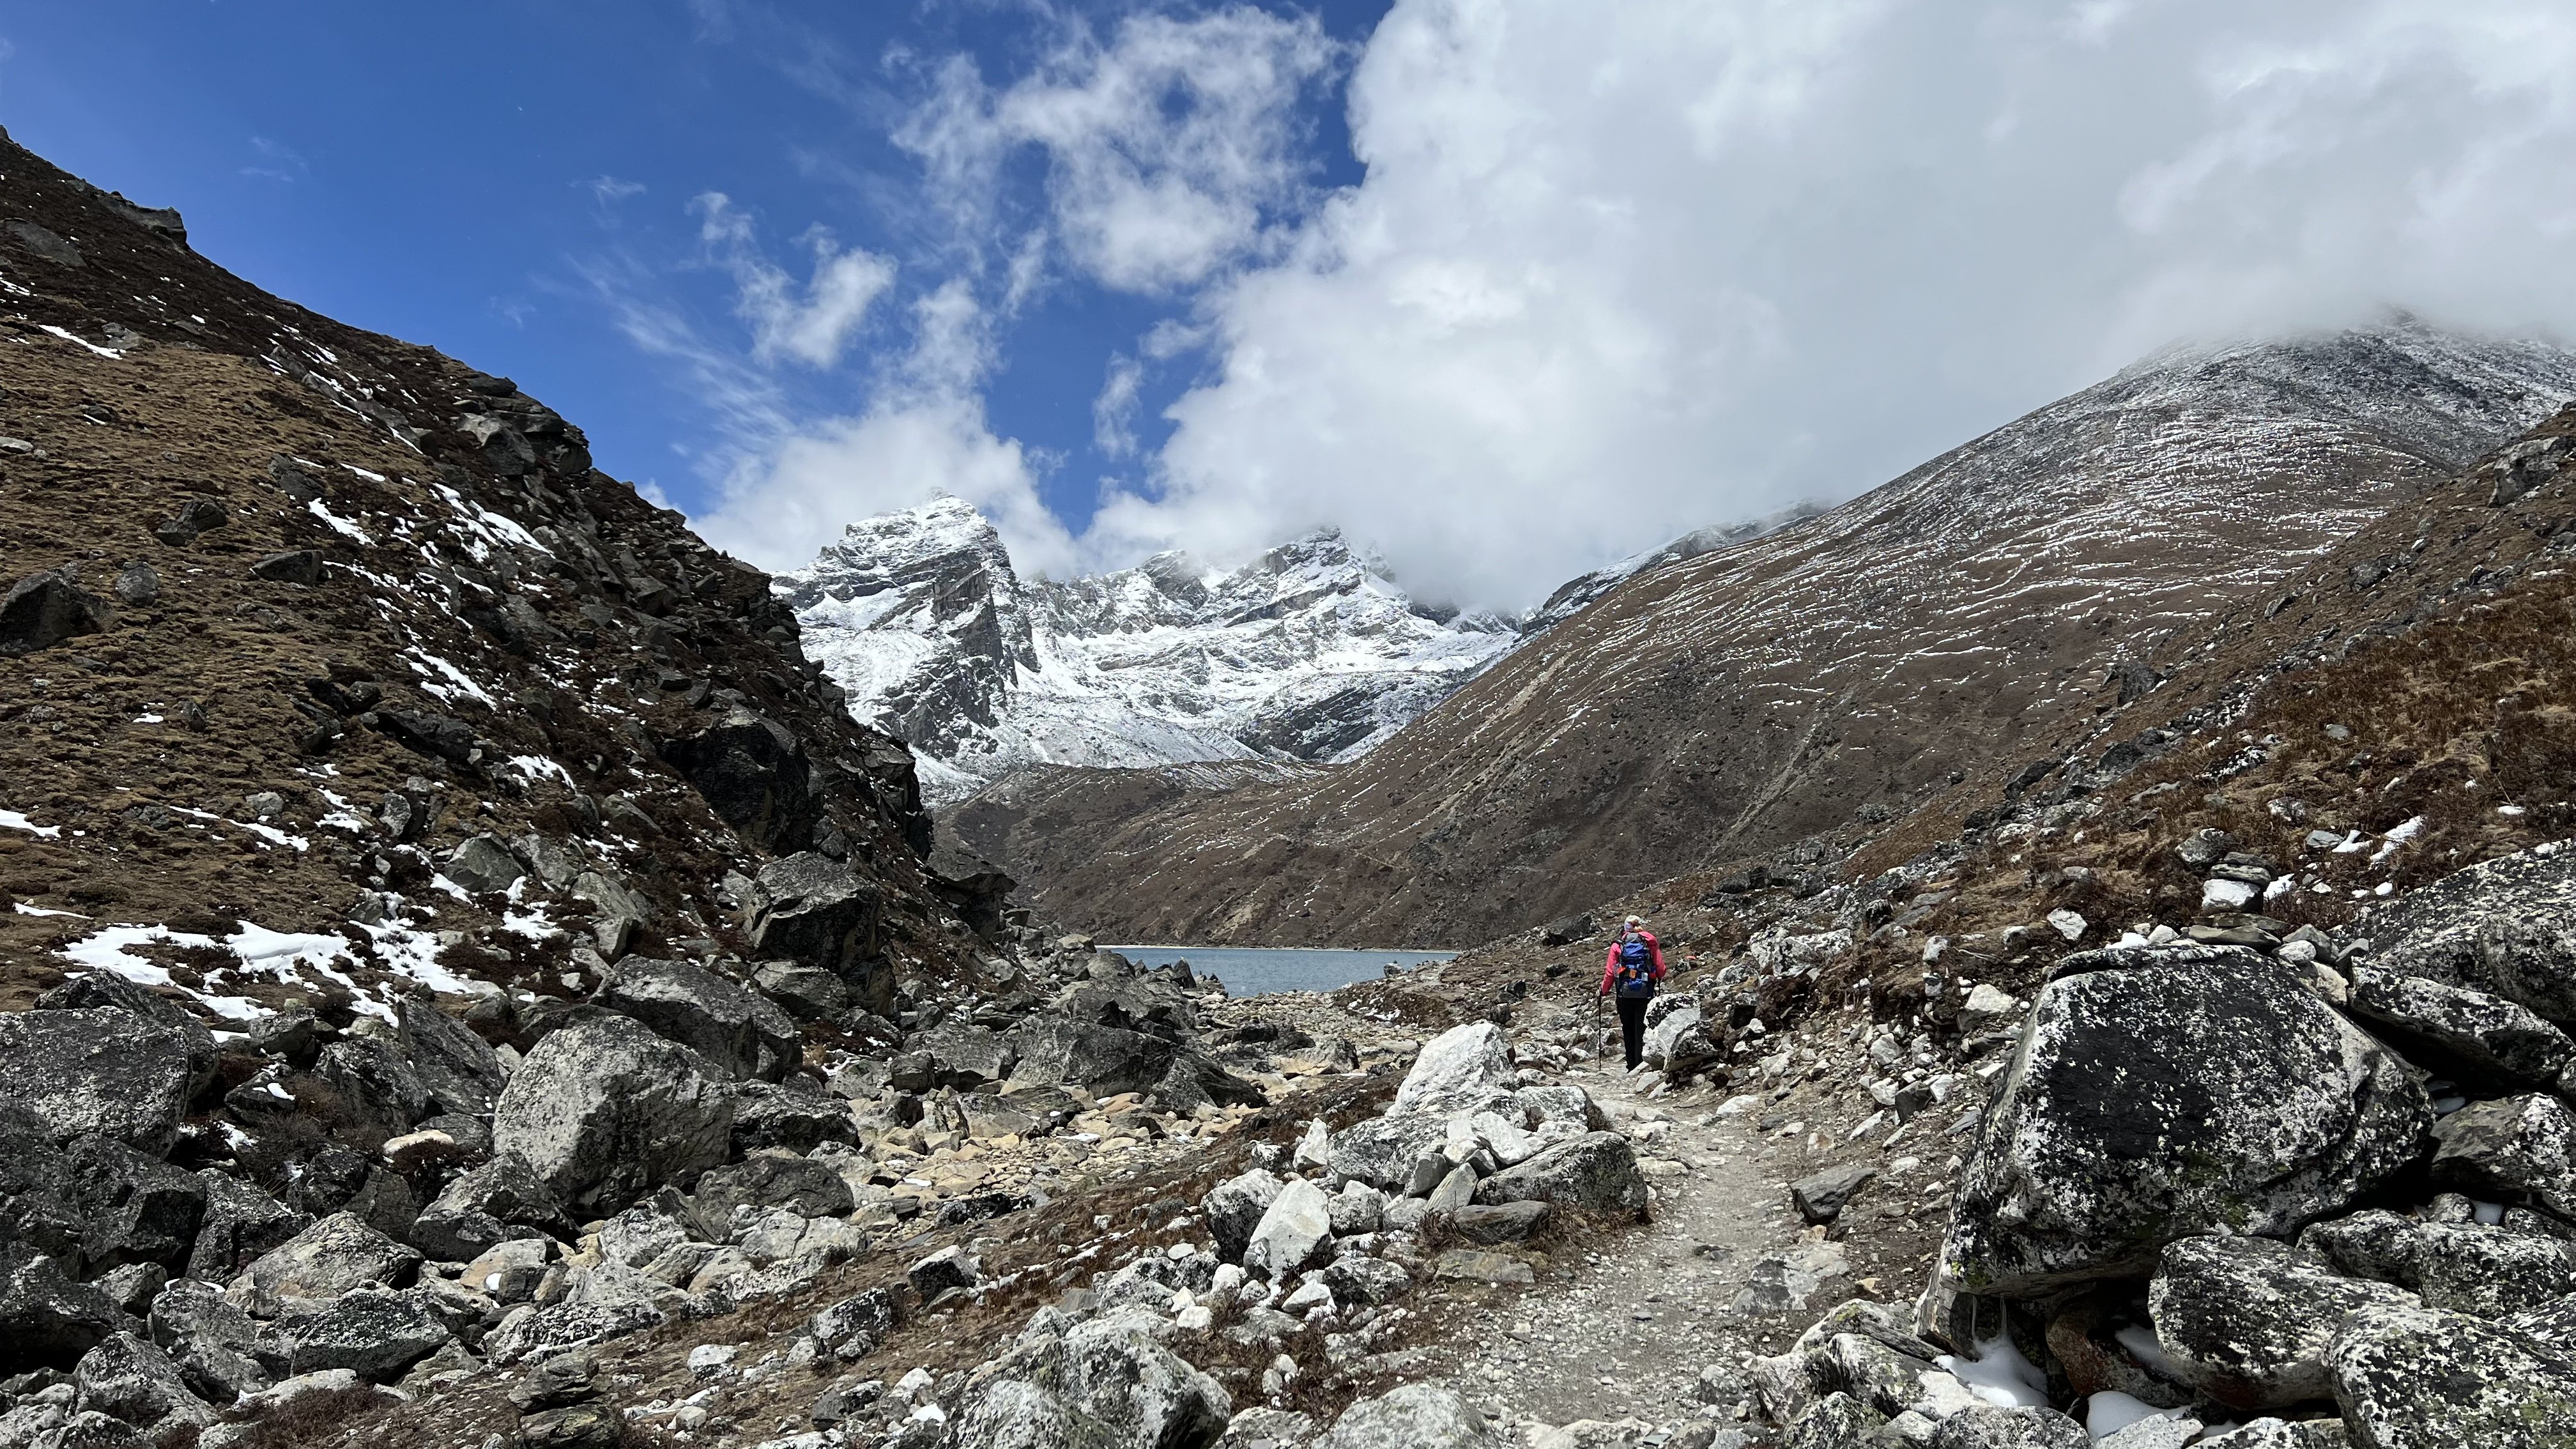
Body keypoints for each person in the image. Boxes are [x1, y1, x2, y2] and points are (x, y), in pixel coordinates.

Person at [1598, 914, 1666, 1070]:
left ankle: (1631, 1065)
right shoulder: (1650, 943)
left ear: (1625, 928)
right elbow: (1661, 970)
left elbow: (1611, 973)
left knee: (1628, 1029)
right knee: (1642, 1028)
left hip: (1624, 994)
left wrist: (1603, 990)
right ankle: (1642, 1064)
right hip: (1645, 993)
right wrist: (1652, 976)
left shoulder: (1618, 945)